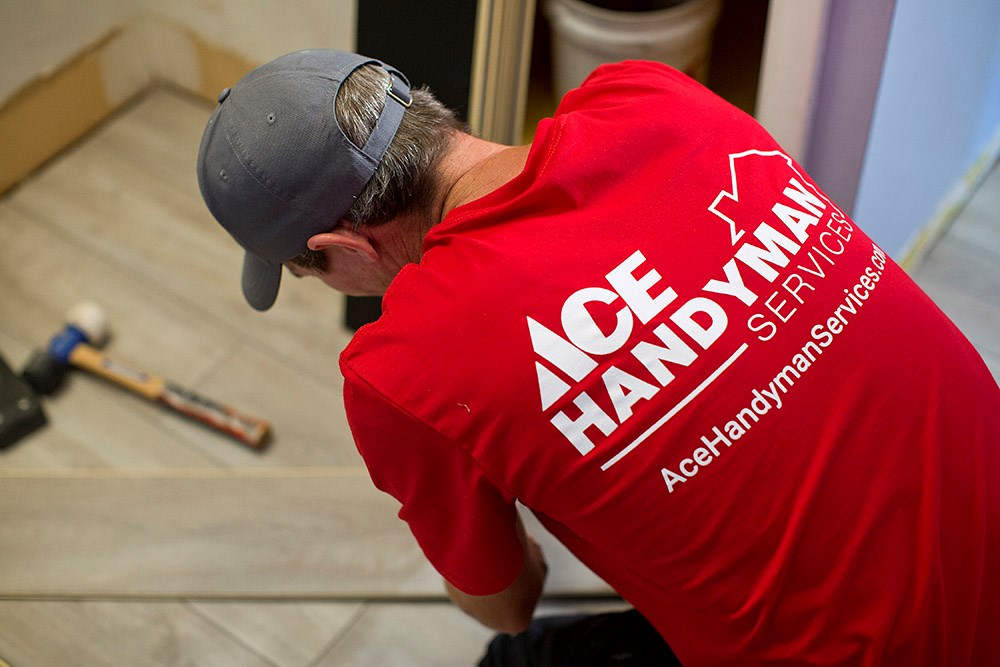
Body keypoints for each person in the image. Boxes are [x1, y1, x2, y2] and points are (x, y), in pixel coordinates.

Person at [196, 49, 1000, 665]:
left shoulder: (403, 369)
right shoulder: (650, 94)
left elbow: (506, 602)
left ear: (343, 247)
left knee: (518, 656)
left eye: (311, 271)